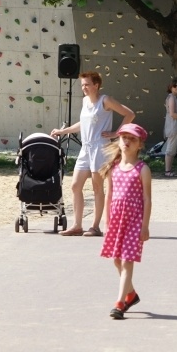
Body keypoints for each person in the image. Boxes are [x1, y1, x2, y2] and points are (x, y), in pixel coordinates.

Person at [51, 71, 135, 237]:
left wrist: (116, 133)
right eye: (82, 85)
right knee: (75, 185)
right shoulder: (85, 101)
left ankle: (95, 227)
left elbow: (129, 114)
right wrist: (63, 131)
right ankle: (77, 225)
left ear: (96, 85)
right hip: (86, 148)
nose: (84, 88)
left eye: (87, 84)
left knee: (97, 187)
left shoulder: (105, 100)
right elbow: (83, 123)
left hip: (100, 148)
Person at [99, 123, 152, 320]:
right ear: (119, 141)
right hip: (116, 220)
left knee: (127, 261)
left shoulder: (142, 169)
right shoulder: (113, 168)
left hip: (134, 222)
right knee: (116, 260)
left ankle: (120, 303)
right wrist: (107, 222)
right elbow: (109, 196)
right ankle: (131, 294)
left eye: (132, 139)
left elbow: (147, 199)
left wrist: (145, 226)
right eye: (124, 138)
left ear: (140, 145)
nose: (127, 141)